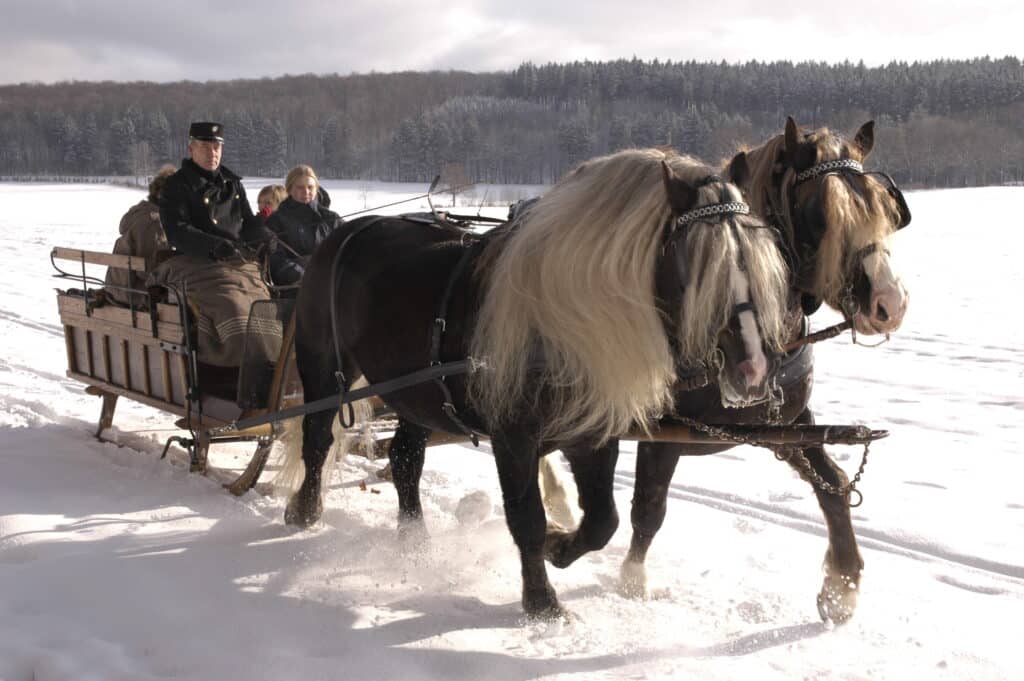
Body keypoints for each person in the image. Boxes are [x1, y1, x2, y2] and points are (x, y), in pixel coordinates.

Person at [151, 121, 278, 393]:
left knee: (264, 306)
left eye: (217, 146)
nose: (213, 153)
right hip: (194, 264)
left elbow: (247, 221)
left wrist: (265, 234)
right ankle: (230, 377)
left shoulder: (232, 183)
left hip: (237, 265)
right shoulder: (177, 186)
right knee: (233, 305)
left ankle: (269, 370)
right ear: (191, 148)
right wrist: (213, 245)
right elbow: (177, 231)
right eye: (206, 146)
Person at [103, 164, 176, 307]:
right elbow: (149, 272)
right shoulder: (153, 223)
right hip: (134, 293)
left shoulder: (141, 212)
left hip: (120, 288)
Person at [267, 164, 344, 287]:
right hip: (295, 287)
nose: (306, 192)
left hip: (333, 283)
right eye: (300, 187)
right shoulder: (276, 221)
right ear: (289, 189)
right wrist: (302, 276)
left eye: (310, 187)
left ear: (316, 188)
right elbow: (275, 259)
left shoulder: (332, 219)